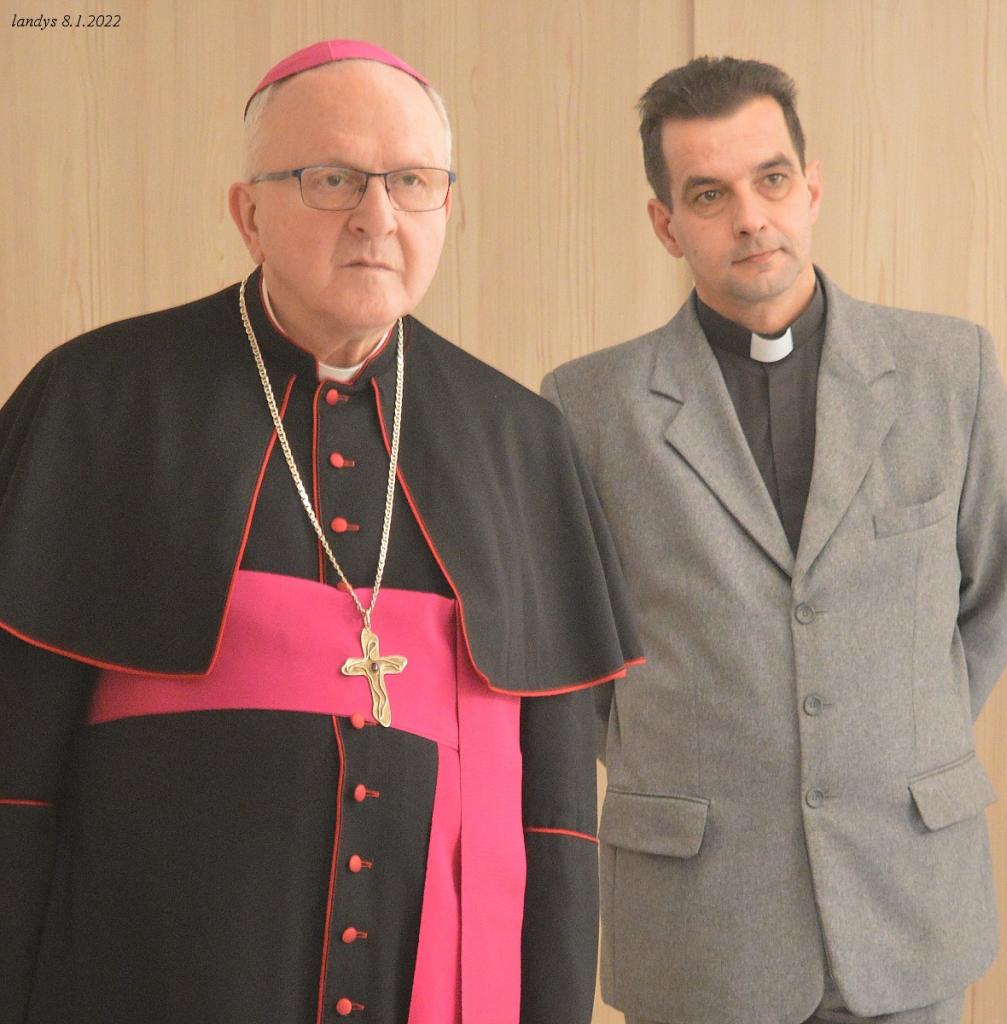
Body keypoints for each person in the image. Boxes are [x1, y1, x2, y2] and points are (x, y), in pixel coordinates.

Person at [0, 39, 640, 1024]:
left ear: (447, 208)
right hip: (150, 978)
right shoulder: (97, 399)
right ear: (248, 212)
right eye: (332, 179)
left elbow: (556, 825)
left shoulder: (522, 441)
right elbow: (15, 782)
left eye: (412, 182)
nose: (377, 218)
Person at [543, 56, 1007, 1024]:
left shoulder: (951, 369)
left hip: (907, 899)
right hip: (699, 918)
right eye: (709, 195)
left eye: (770, 180)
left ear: (811, 187)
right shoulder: (587, 406)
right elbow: (572, 649)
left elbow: (994, 594)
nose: (750, 218)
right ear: (665, 224)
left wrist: (891, 736)